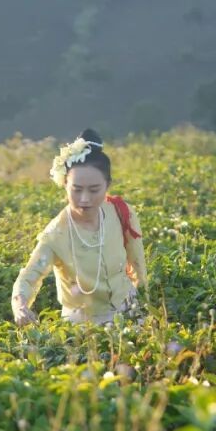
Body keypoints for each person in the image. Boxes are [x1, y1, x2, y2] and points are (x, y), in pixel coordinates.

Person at [12, 129, 147, 326]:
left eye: (94, 190)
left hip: (130, 311)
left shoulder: (120, 212)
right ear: (65, 184)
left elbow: (137, 261)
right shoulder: (56, 234)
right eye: (76, 190)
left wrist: (145, 297)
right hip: (83, 325)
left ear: (107, 185)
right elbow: (29, 276)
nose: (85, 199)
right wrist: (20, 305)